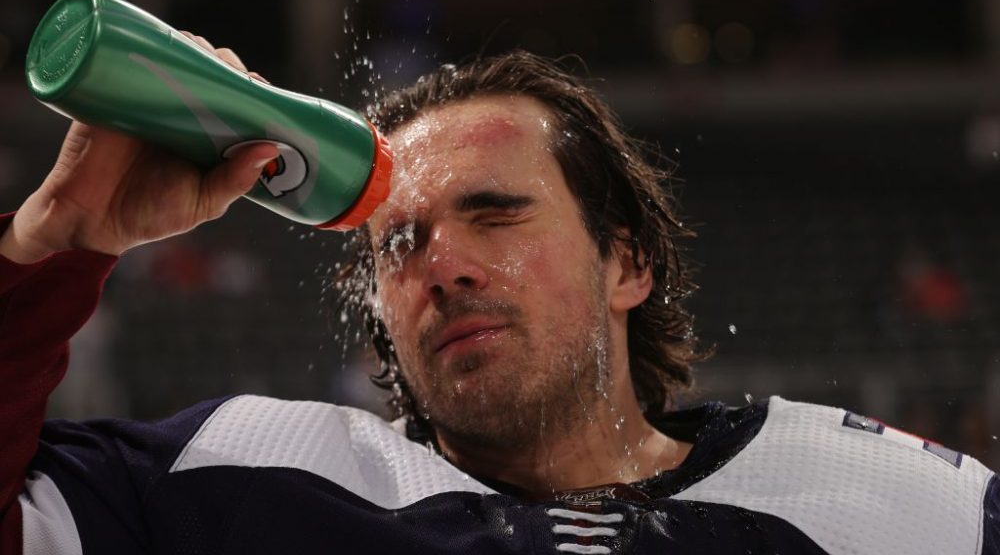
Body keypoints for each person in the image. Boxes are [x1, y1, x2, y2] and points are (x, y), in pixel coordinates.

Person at [0, 37, 996, 555]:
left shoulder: (883, 504)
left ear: (627, 263)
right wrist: (52, 245)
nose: (445, 265)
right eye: (401, 242)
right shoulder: (238, 476)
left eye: (496, 215)